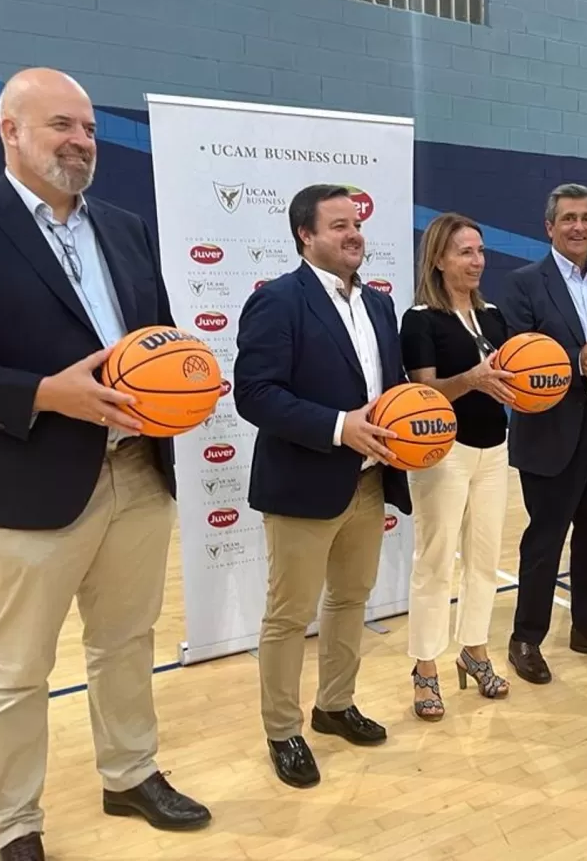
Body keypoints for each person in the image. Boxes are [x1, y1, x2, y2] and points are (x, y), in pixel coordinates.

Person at [0, 67, 210, 861]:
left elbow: (162, 337)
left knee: (126, 641)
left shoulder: (124, 227)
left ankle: (129, 772)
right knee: (16, 669)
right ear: (9, 131)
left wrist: (186, 382)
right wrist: (45, 393)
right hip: (24, 479)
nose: (81, 141)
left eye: (88, 129)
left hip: (138, 473)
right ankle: (13, 823)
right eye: (60, 127)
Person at [234, 183, 412, 790]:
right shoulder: (279, 301)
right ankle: (282, 731)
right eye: (337, 225)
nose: (353, 233)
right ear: (305, 235)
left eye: (356, 223)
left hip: (367, 483)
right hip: (304, 482)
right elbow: (255, 394)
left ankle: (334, 705)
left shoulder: (380, 305)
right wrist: (340, 428)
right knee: (289, 616)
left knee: (350, 602)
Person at [501, 183, 587, 684]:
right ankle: (526, 638)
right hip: (553, 428)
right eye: (569, 219)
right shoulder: (523, 283)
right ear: (549, 226)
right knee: (545, 540)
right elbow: (521, 350)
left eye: (586, 218)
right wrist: (576, 361)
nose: (579, 227)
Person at [399, 212, 515, 719]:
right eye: (465, 252)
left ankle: (475, 649)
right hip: (443, 452)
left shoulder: (494, 317)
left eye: (481, 251)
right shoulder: (420, 318)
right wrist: (469, 379)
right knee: (435, 561)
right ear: (440, 259)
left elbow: (512, 381)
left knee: (485, 560)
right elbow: (423, 393)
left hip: (495, 449)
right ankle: (425, 668)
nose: (477, 261)